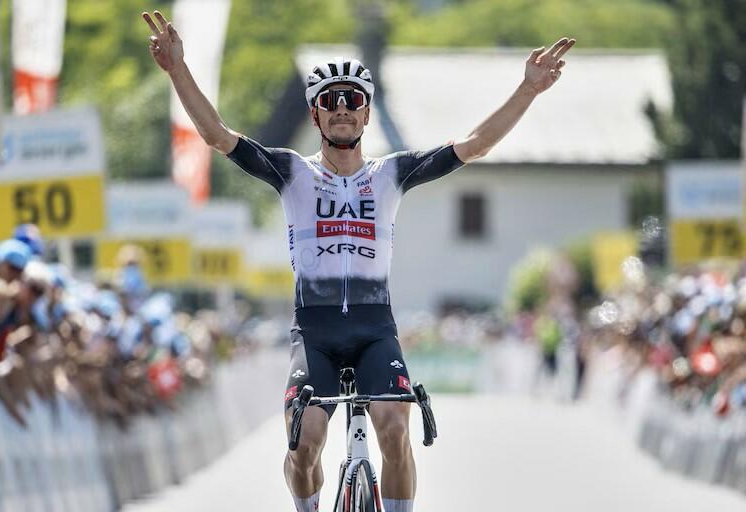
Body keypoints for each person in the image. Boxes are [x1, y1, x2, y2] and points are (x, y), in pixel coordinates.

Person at [143, 9, 574, 511]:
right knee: (304, 447)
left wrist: (528, 89)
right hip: (315, 333)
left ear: (367, 114)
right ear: (316, 115)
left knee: (395, 428)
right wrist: (178, 71)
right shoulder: (290, 172)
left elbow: (474, 146)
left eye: (354, 102)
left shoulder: (392, 173)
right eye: (331, 102)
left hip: (375, 330)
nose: (343, 108)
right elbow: (218, 136)